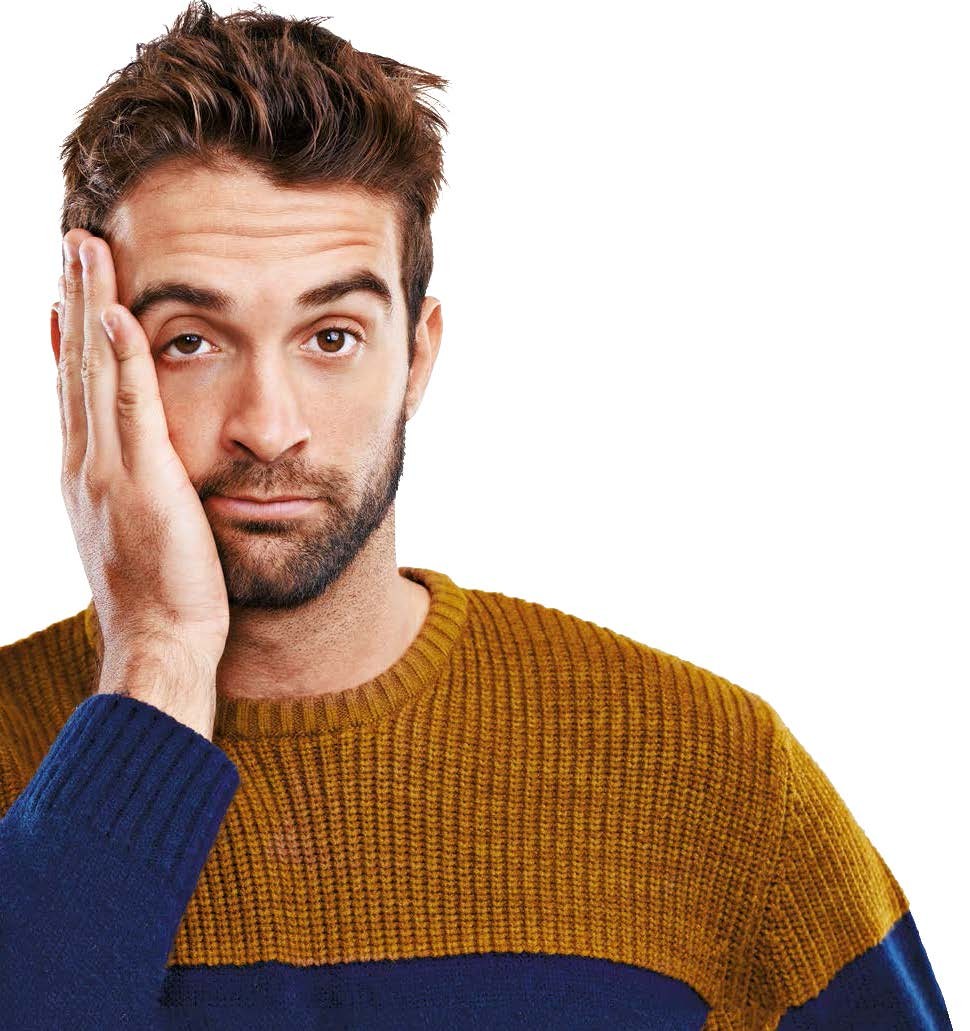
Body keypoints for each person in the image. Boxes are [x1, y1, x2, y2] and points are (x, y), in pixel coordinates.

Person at [0, 3, 952, 1028]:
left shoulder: (715, 774)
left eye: (331, 336)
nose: (269, 426)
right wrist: (156, 661)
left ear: (418, 355)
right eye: (190, 340)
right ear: (80, 361)